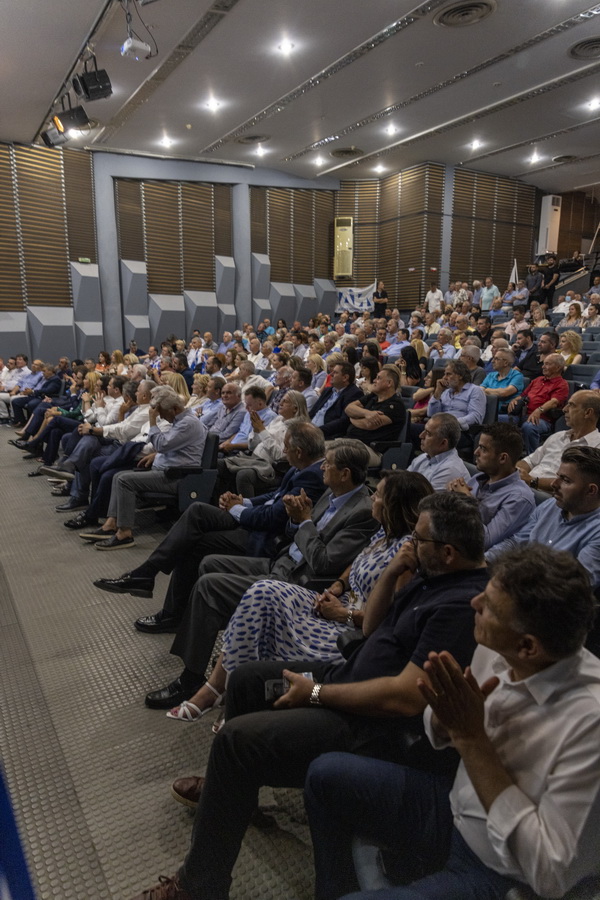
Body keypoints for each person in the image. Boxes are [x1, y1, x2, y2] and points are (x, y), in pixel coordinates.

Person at [131, 493, 489, 900]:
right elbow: (371, 628)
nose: (409, 544)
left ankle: (198, 888)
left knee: (235, 742)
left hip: (370, 723)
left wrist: (317, 693)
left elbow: (406, 698)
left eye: (418, 540)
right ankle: (235, 796)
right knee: (246, 680)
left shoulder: (461, 606)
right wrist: (393, 571)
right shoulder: (429, 574)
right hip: (347, 676)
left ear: (447, 552)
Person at [304, 543, 600, 900]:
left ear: (528, 647)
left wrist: (472, 740)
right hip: (455, 806)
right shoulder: (497, 645)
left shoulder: (589, 724)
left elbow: (550, 874)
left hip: (503, 872)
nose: (474, 603)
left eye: (489, 607)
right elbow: (439, 728)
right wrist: (447, 721)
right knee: (323, 775)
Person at [167, 470, 433, 724]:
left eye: (379, 495)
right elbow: (359, 560)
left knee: (264, 609)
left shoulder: (407, 553)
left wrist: (344, 614)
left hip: (354, 629)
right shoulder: (384, 532)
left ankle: (231, 694)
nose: (373, 497)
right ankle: (219, 688)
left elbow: (391, 621)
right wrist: (339, 584)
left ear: (394, 506)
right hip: (339, 601)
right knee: (262, 592)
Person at [141, 438, 379, 711]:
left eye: (329, 464)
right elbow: (294, 532)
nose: (323, 467)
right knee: (208, 562)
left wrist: (304, 521)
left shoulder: (361, 511)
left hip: (301, 581)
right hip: (283, 561)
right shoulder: (332, 493)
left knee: (209, 586)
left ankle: (192, 679)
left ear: (345, 473)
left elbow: (323, 562)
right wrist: (295, 518)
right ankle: (232, 645)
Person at [93, 422, 327, 631]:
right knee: (196, 515)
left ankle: (154, 588)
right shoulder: (301, 468)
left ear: (299, 452)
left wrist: (236, 509)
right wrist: (243, 501)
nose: (283, 451)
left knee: (193, 538)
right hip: (257, 524)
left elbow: (272, 518)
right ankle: (151, 583)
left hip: (266, 538)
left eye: (286, 447)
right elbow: (275, 496)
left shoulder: (311, 477)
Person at [92, 385, 208, 550]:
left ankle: (125, 534)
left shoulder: (188, 423)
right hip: (165, 470)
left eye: (163, 413)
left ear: (175, 409)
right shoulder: (180, 421)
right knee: (118, 476)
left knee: (124, 480)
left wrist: (153, 421)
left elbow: (162, 444)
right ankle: (112, 524)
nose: (161, 416)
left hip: (177, 476)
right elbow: (171, 446)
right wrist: (156, 455)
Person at [488, 445, 600, 584]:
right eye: (557, 476)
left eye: (565, 480)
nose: (554, 484)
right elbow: (516, 542)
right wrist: (485, 560)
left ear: (591, 490)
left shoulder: (596, 533)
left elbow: (575, 587)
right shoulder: (550, 505)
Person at [447, 423, 534, 549]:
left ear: (502, 458)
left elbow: (484, 541)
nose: (476, 452)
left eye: (483, 449)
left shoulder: (519, 498)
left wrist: (466, 501)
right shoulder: (477, 479)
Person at [516, 390, 600, 492]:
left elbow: (574, 484)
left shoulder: (596, 447)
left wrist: (532, 481)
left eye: (571, 405)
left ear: (588, 413)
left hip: (552, 496)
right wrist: (517, 472)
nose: (564, 409)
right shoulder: (558, 436)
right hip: (526, 486)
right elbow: (529, 461)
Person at [504, 353, 569, 454]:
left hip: (543, 419)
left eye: (547, 364)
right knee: (498, 420)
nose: (543, 366)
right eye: (544, 363)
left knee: (529, 427)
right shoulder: (537, 380)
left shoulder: (562, 384)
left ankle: (532, 457)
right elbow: (523, 395)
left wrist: (539, 410)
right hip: (523, 415)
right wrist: (515, 400)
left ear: (558, 367)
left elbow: (554, 402)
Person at [345, 367, 406, 465]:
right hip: (352, 442)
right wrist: (366, 413)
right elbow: (349, 408)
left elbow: (369, 424)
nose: (374, 380)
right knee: (322, 449)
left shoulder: (395, 405)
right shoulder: (373, 396)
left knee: (336, 456)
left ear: (389, 383)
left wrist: (352, 417)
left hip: (373, 450)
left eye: (378, 378)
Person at [422, 359, 486, 446]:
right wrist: (437, 393)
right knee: (410, 428)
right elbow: (431, 414)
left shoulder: (475, 390)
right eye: (445, 374)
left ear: (460, 376)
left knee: (432, 436)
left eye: (448, 374)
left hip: (461, 433)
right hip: (439, 429)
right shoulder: (446, 392)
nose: (444, 377)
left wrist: (451, 424)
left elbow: (475, 416)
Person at [407, 413, 470, 488]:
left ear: (443, 443)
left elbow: (424, 496)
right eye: (424, 430)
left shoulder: (449, 470)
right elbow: (403, 482)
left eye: (428, 434)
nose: (421, 436)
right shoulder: (424, 457)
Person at [310, 362, 363, 438]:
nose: (330, 374)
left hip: (327, 435)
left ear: (345, 377)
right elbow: (313, 411)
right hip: (311, 429)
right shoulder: (328, 390)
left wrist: (317, 431)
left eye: (335, 372)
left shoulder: (354, 394)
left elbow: (343, 422)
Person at [480, 347, 524, 414]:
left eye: (496, 359)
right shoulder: (491, 375)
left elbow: (504, 393)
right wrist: (495, 392)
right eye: (493, 358)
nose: (492, 361)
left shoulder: (517, 376)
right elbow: (479, 391)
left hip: (503, 413)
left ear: (505, 363)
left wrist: (486, 390)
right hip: (485, 410)